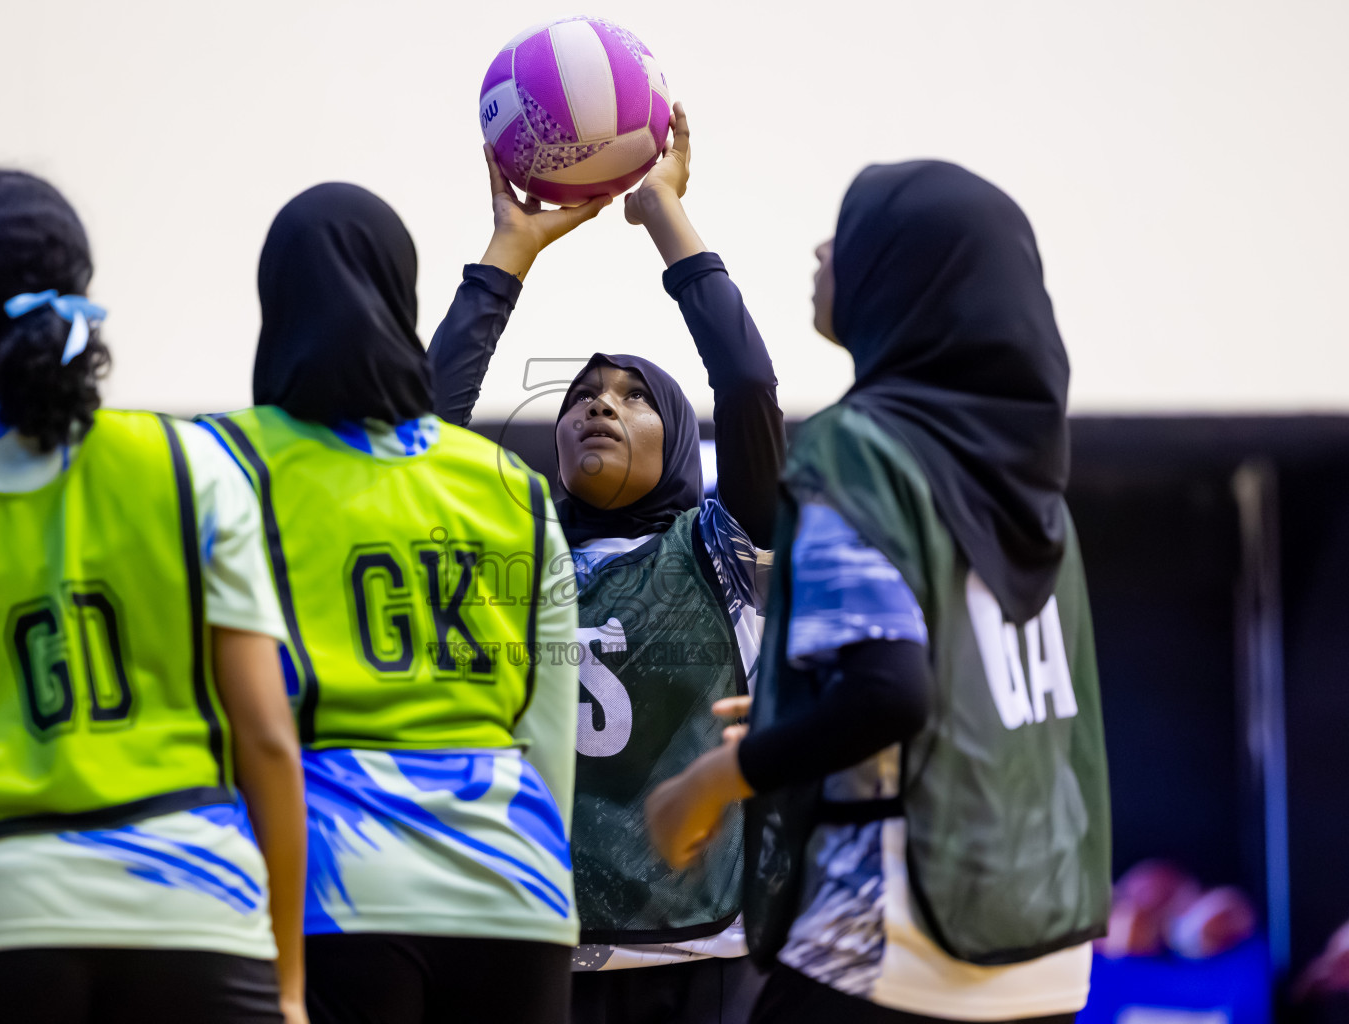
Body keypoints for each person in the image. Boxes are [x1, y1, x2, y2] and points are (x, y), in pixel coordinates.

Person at [0, 170, 308, 1024]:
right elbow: (267, 740)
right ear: (77, 299)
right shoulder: (195, 465)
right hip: (197, 910)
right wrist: (289, 982)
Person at [645, 160, 1112, 1024]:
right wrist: (799, 715)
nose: (824, 249)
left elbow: (890, 691)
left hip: (896, 944)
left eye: (850, 236)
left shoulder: (858, 450)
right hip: (1045, 951)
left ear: (907, 278)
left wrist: (713, 780)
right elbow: (958, 692)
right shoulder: (1032, 483)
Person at [430, 104, 783, 1024]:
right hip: (534, 955)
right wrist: (509, 251)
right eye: (582, 396)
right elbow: (414, 441)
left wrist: (663, 211)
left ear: (678, 442)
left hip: (701, 950)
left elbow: (747, 387)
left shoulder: (722, 543)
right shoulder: (510, 542)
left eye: (633, 398)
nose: (598, 406)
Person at [198, 182, 582, 1024]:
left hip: (330, 888)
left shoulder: (220, 462)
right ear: (401, 294)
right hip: (515, 885)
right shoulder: (507, 485)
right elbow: (549, 728)